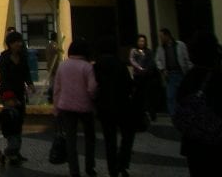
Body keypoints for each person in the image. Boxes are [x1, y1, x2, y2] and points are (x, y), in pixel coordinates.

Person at [173, 31, 222, 177]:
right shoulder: (217, 77)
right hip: (216, 139)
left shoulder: (189, 77)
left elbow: (180, 102)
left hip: (194, 141)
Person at [54, 39, 98, 177]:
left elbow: (57, 89)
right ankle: (89, 166)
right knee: (90, 137)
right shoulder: (87, 67)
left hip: (66, 107)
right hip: (85, 107)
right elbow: (92, 88)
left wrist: (56, 108)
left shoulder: (62, 66)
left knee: (70, 140)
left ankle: (74, 171)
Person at [94, 36, 136, 177]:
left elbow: (94, 87)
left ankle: (112, 168)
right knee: (127, 135)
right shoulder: (119, 64)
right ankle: (122, 163)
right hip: (122, 105)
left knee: (109, 139)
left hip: (104, 107)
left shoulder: (97, 65)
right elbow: (129, 85)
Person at [0, 30, 36, 165]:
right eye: (16, 42)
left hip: (19, 92)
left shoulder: (22, 57)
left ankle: (15, 152)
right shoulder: (4, 59)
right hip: (8, 95)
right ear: (10, 44)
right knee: (11, 120)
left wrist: (30, 84)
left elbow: (26, 73)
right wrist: (10, 97)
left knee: (19, 121)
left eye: (20, 41)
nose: (19, 44)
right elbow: (3, 79)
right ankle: (8, 151)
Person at [156, 28, 192, 116]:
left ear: (167, 35)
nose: (160, 39)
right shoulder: (161, 48)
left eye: (162, 36)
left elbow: (186, 58)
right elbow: (158, 60)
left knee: (183, 95)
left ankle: (185, 113)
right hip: (170, 74)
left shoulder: (180, 45)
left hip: (180, 72)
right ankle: (173, 115)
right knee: (170, 96)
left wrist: (190, 71)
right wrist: (162, 69)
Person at [129, 33, 157, 122]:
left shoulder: (148, 51)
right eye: (140, 41)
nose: (142, 43)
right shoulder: (134, 51)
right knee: (138, 95)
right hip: (138, 76)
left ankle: (152, 114)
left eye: (143, 41)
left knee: (149, 95)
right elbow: (132, 60)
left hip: (147, 76)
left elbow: (152, 62)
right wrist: (140, 68)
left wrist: (147, 69)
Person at [46, 31, 62, 102]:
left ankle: (51, 95)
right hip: (54, 65)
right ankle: (52, 95)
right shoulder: (54, 45)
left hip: (50, 65)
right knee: (54, 82)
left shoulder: (49, 45)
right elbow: (59, 51)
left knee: (51, 81)